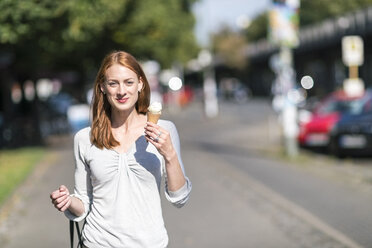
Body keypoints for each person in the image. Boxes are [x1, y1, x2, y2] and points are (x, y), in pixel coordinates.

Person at [50, 51, 192, 248]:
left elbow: (179, 198)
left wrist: (169, 155)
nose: (121, 91)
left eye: (128, 82)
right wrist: (68, 201)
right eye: (113, 83)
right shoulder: (84, 138)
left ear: (140, 84)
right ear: (103, 87)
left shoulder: (165, 130)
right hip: (97, 243)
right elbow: (83, 202)